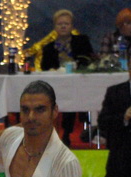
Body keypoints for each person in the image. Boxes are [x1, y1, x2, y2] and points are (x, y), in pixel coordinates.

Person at [40, 10, 97, 147]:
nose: (63, 26)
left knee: (75, 93)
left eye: (66, 23)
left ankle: (75, 131)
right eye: (60, 24)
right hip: (58, 86)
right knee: (64, 95)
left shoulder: (82, 41)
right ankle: (65, 133)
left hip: (81, 84)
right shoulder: (48, 48)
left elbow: (89, 60)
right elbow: (44, 67)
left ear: (72, 26)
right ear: (55, 27)